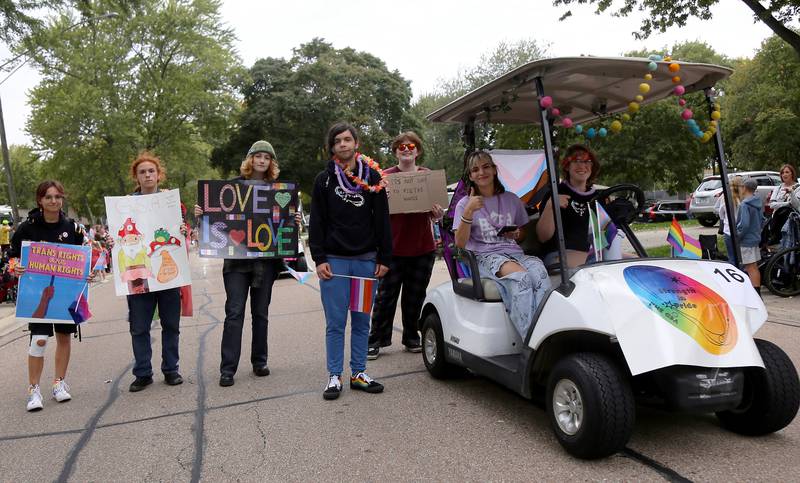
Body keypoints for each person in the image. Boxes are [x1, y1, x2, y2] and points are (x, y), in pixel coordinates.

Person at [194, 140, 297, 387]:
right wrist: (201, 215)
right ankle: (227, 368)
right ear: (249, 159)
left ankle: (259, 361)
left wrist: (290, 219)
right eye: (257, 156)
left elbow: (283, 226)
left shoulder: (279, 190)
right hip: (236, 263)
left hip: (266, 263)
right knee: (235, 312)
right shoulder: (231, 188)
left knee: (260, 313)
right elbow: (216, 223)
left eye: (267, 157)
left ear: (272, 162)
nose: (262, 161)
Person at [309, 122, 391, 400]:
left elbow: (382, 220)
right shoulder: (324, 180)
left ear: (356, 143)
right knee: (335, 322)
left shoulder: (374, 178)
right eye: (337, 141)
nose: (343, 145)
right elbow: (317, 222)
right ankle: (334, 375)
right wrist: (319, 258)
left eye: (347, 139)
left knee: (361, 321)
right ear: (332, 147)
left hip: (366, 260)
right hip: (334, 261)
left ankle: (359, 373)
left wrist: (384, 256)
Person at [9, 180, 90, 411]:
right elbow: (12, 257)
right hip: (37, 293)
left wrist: (89, 273)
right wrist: (15, 266)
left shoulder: (72, 227)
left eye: (57, 197)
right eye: (48, 197)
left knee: (64, 338)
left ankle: (59, 384)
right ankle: (33, 390)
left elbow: (85, 256)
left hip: (66, 293)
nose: (53, 201)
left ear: (62, 199)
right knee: (39, 340)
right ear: (40, 201)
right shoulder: (28, 227)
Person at [453, 150, 551, 339]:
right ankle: (531, 342)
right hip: (483, 256)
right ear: (471, 176)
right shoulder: (464, 204)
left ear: (494, 170)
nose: (481, 172)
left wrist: (516, 233)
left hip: (514, 253)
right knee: (521, 278)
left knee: (539, 273)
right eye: (475, 170)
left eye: (486, 167)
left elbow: (522, 234)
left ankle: (545, 334)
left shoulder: (511, 199)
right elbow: (460, 243)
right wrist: (469, 211)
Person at [367, 131, 444, 360]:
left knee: (415, 296)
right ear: (395, 151)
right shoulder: (385, 177)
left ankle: (411, 336)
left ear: (418, 150)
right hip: (393, 248)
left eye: (411, 146)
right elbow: (373, 211)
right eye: (401, 146)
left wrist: (438, 214)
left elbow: (435, 212)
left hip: (423, 247)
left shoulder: (427, 176)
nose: (406, 149)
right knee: (385, 297)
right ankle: (375, 340)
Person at [125, 151, 187, 392]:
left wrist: (183, 229)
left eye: (151, 171)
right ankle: (143, 372)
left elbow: (181, 233)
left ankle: (171, 369)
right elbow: (122, 235)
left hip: (168, 272)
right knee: (139, 326)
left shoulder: (173, 203)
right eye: (143, 172)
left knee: (171, 323)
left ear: (159, 175)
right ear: (136, 177)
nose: (148, 175)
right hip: (139, 271)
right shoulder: (126, 206)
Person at [536, 144, 601, 268]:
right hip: (559, 256)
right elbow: (543, 237)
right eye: (576, 161)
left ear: (592, 166)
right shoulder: (554, 193)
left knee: (637, 260)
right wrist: (551, 205)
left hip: (594, 254)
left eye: (587, 161)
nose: (582, 166)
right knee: (598, 263)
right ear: (567, 166)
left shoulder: (600, 197)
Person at [736, 177, 765, 294]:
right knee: (754, 267)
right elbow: (762, 220)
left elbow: (744, 224)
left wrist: (738, 236)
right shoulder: (757, 202)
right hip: (755, 238)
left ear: (744, 188)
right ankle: (756, 291)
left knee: (750, 267)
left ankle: (756, 294)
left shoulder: (744, 204)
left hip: (746, 240)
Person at [766, 164, 799, 245]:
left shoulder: (798, 188)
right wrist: (787, 203)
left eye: (787, 172)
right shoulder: (777, 188)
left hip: (791, 221)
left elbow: (796, 205)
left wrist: (791, 193)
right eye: (782, 173)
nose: (784, 174)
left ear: (792, 174)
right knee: (778, 244)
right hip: (777, 221)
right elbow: (772, 205)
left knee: (790, 244)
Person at [715, 176, 744, 264]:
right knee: (741, 258)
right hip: (741, 230)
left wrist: (723, 218)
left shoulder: (725, 197)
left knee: (731, 257)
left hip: (728, 230)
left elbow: (719, 211)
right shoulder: (743, 198)